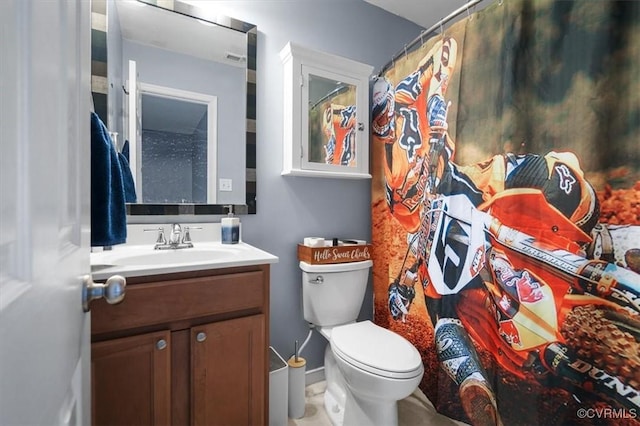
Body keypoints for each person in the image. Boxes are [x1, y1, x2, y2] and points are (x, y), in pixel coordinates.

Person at [373, 36, 600, 426]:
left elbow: (445, 51)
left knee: (539, 174)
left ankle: (601, 238)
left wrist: (438, 92)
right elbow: (411, 241)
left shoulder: (414, 92)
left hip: (469, 189)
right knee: (442, 313)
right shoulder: (389, 165)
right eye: (379, 117)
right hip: (439, 232)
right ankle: (473, 383)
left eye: (384, 111)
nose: (384, 120)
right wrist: (401, 286)